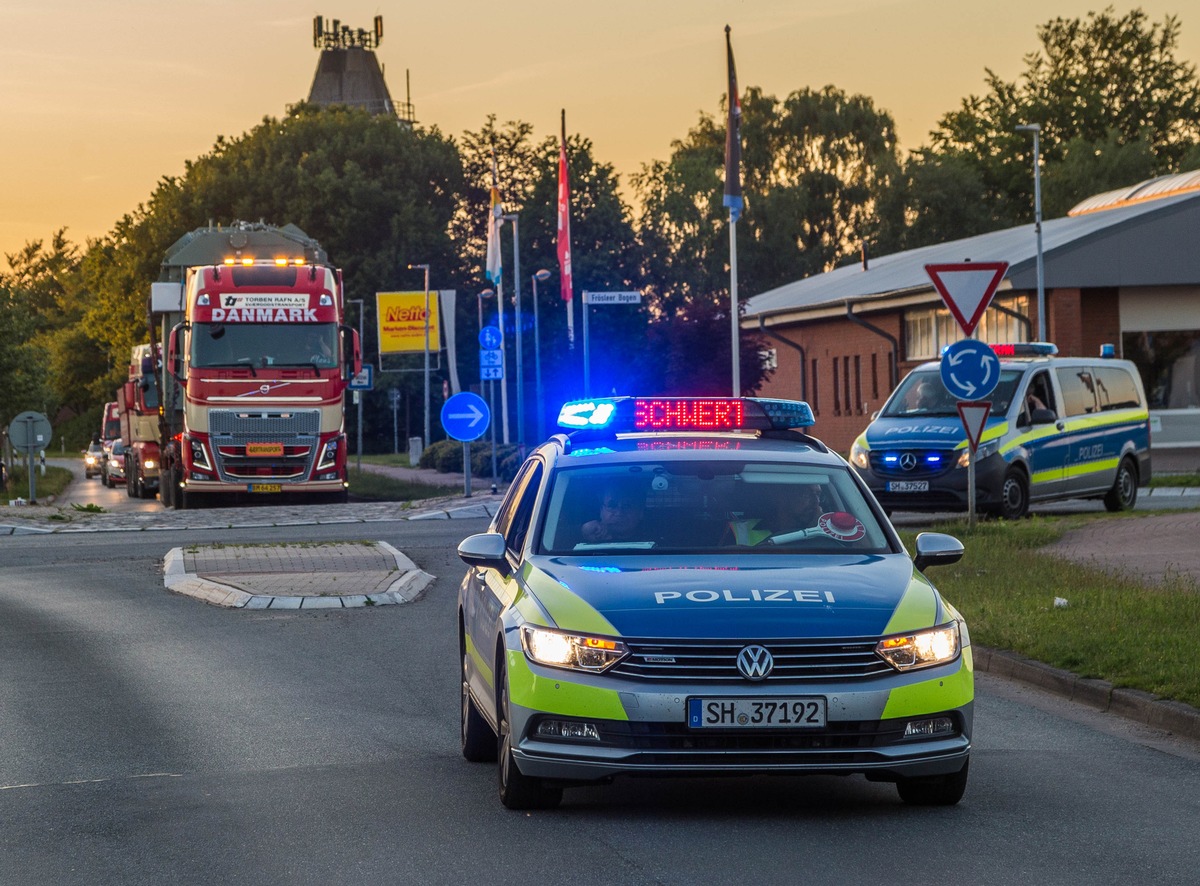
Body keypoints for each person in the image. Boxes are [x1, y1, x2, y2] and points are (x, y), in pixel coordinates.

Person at [581, 481, 646, 543]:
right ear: (601, 510)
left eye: (627, 506)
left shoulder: (653, 540)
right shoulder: (581, 540)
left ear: (641, 512)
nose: (619, 513)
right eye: (612, 505)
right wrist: (584, 532)